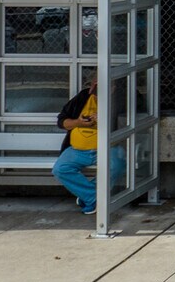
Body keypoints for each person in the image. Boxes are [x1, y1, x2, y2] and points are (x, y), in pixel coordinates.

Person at [53, 79, 125, 216]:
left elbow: (127, 123)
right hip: (77, 148)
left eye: (102, 87)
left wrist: (104, 120)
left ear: (113, 87)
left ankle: (88, 196)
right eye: (94, 86)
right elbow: (62, 121)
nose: (96, 91)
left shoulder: (121, 99)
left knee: (117, 165)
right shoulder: (83, 97)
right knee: (60, 169)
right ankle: (94, 197)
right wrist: (78, 122)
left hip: (108, 146)